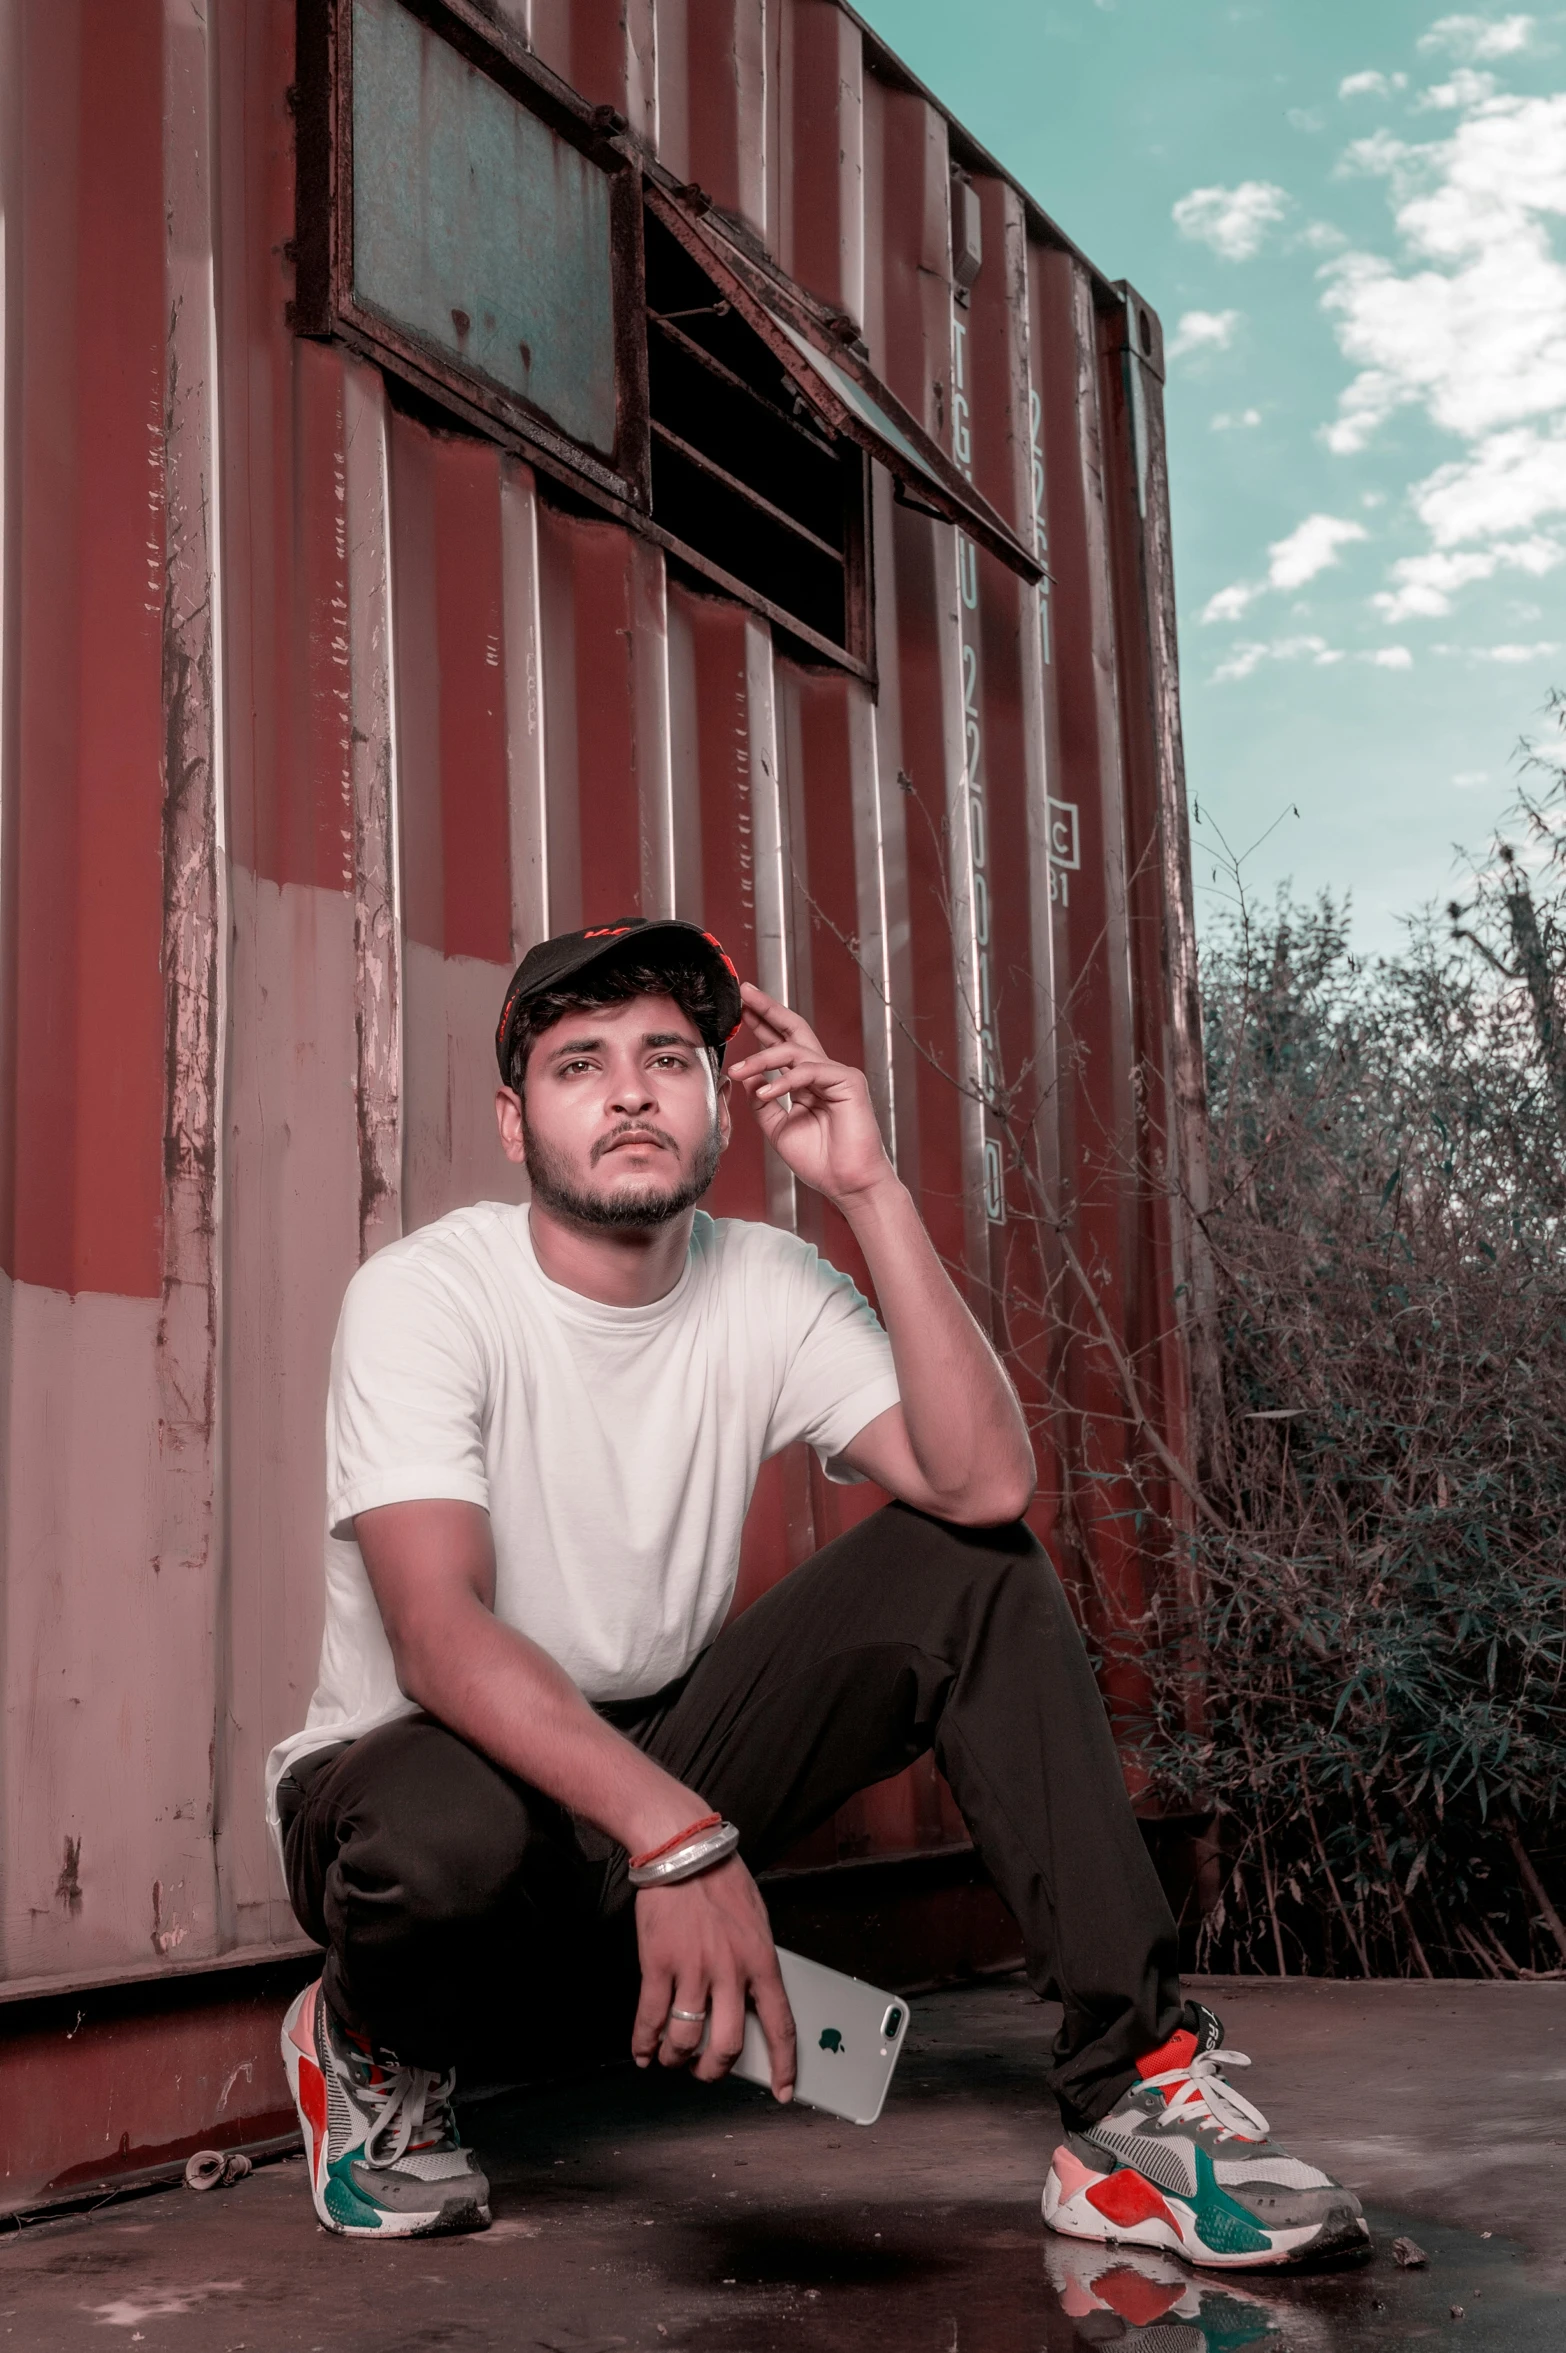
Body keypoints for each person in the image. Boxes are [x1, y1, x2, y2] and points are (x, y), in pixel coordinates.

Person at [271, 916, 1367, 2269]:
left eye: (667, 1057)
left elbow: (979, 1489)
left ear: (716, 1099)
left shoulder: (769, 1282)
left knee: (967, 1568)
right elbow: (436, 1639)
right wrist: (681, 1844)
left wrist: (870, 1191)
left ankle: (1133, 2100)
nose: (627, 1092)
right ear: (514, 1122)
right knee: (450, 1840)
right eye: (579, 1064)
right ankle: (369, 2045)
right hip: (420, 1778)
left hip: (643, 1761)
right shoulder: (426, 1294)